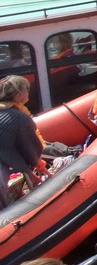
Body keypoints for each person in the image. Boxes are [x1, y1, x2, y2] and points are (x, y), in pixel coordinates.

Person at [0, 75, 44, 208]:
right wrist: (38, 166)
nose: (28, 91)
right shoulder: (19, 117)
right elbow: (31, 149)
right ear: (18, 94)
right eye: (27, 88)